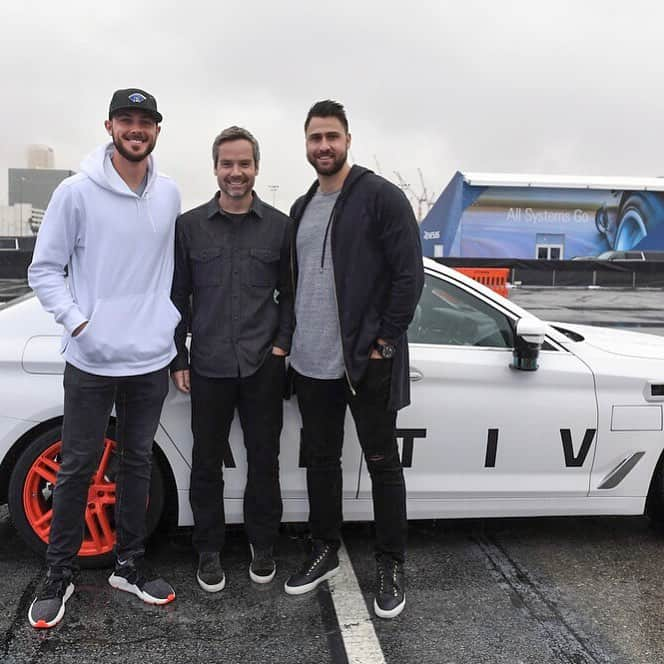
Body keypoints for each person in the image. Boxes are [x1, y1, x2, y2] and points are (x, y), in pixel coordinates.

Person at [26, 88, 181, 628]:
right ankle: (59, 572)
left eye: (146, 121)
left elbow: (170, 273)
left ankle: (130, 564)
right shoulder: (76, 192)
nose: (136, 129)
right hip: (91, 357)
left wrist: (167, 329)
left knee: (136, 462)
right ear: (110, 125)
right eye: (126, 120)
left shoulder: (170, 194)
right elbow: (44, 269)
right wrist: (80, 323)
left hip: (152, 358)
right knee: (76, 467)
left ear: (157, 130)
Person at [283, 100, 424, 619]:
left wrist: (385, 343)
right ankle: (325, 549)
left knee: (383, 463)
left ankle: (390, 562)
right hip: (311, 362)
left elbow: (411, 275)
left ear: (348, 139)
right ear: (305, 143)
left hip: (366, 362)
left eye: (332, 136)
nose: (324, 146)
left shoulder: (380, 197)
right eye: (316, 137)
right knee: (322, 462)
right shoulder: (300, 207)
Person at [170, 126, 293, 592]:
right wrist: (176, 357)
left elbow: (292, 293)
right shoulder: (190, 226)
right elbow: (178, 294)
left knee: (265, 460)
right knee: (205, 463)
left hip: (263, 363)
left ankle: (264, 544)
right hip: (207, 364)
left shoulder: (281, 226)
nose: (235, 172)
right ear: (216, 168)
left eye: (244, 164)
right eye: (227, 164)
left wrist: (281, 344)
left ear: (256, 168)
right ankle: (208, 550)